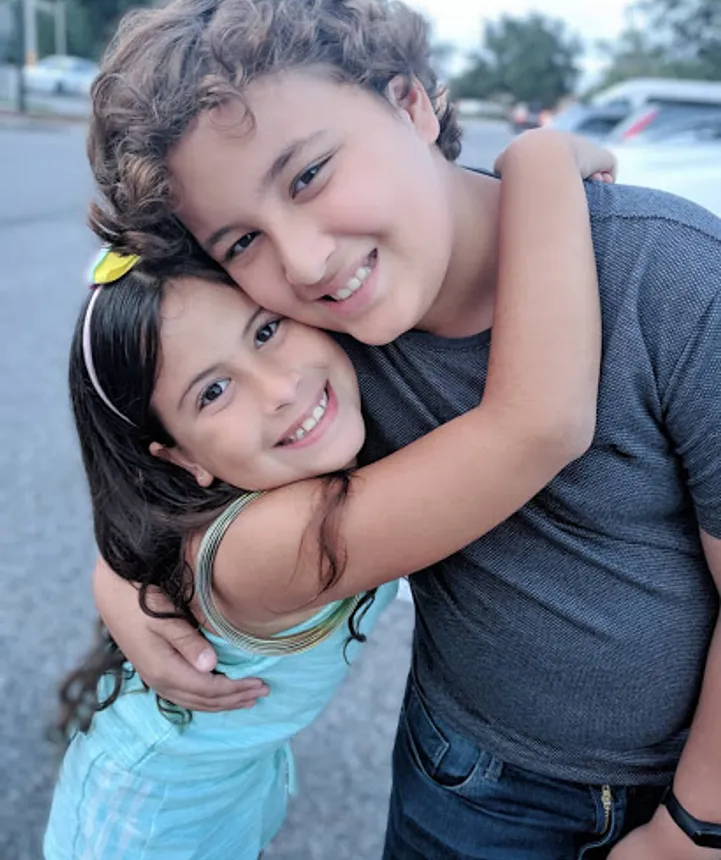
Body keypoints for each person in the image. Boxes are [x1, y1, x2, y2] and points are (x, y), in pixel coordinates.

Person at [86, 0, 721, 858]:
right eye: (242, 240)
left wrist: (694, 829)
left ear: (411, 102)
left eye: (309, 174)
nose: (304, 262)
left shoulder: (671, 276)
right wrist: (121, 576)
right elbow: (185, 455)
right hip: (465, 778)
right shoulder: (310, 346)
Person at [44, 132, 607, 860]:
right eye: (212, 392)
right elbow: (535, 425)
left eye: (266, 330)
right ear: (180, 458)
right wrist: (538, 162)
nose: (279, 389)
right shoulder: (269, 544)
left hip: (226, 784)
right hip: (144, 826)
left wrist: (115, 578)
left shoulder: (273, 474)